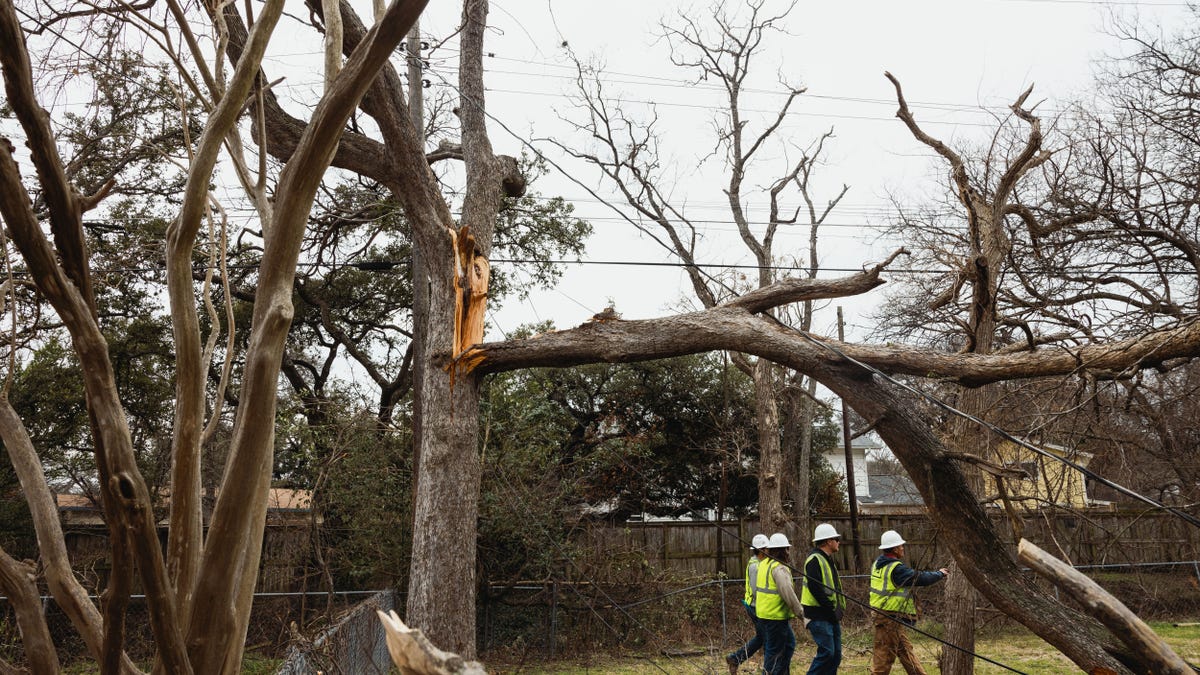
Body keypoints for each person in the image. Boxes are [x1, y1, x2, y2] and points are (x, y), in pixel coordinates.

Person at [869, 530, 949, 675]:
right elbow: (920, 578)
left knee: (907, 654)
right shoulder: (896, 569)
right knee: (883, 661)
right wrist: (939, 574)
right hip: (888, 619)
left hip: (887, 617)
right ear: (894, 549)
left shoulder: (878, 564)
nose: (902, 548)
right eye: (900, 546)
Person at [754, 532, 805, 675]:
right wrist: (802, 614)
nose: (788, 552)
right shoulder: (779, 568)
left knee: (789, 645)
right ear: (782, 550)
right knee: (774, 653)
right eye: (786, 549)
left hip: (763, 614)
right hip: (775, 617)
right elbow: (788, 594)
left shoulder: (764, 564)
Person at [801, 523, 844, 675]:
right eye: (836, 539)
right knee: (827, 653)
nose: (839, 541)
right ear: (828, 541)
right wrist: (830, 609)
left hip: (830, 615)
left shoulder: (827, 559)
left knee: (835, 655)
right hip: (818, 615)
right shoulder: (814, 560)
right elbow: (816, 589)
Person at [726, 533, 770, 673]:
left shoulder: (759, 563)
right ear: (762, 549)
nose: (769, 550)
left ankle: (735, 658)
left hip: (756, 605)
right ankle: (768, 669)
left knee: (761, 637)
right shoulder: (755, 566)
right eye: (767, 548)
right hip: (755, 606)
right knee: (767, 638)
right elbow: (757, 589)